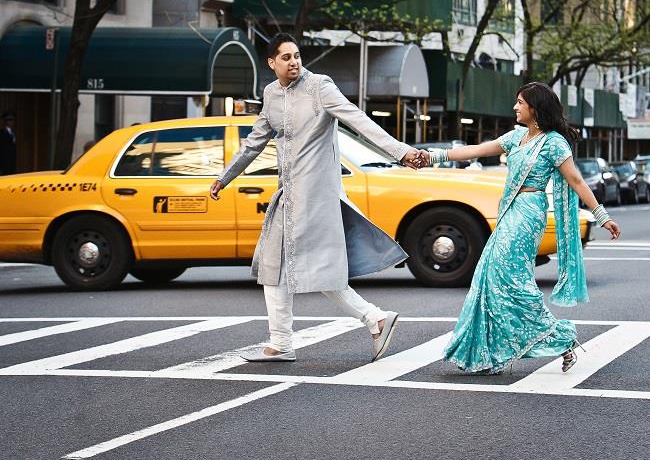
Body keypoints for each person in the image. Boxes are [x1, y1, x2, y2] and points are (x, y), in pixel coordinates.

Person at [210, 33, 422, 363]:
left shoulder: (319, 86)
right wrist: (225, 177)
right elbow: (254, 142)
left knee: (319, 267)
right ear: (272, 63)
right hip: (288, 193)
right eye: (286, 57)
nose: (294, 62)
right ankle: (282, 342)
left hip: (316, 194)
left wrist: (402, 152)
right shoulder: (270, 94)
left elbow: (357, 119)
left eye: (297, 56)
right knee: (273, 264)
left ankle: (373, 318)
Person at [420, 82, 621, 375]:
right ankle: (494, 352)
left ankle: (560, 337)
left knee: (512, 280)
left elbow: (576, 181)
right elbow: (475, 149)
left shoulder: (554, 143)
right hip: (510, 210)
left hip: (528, 212)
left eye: (519, 103)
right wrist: (433, 157)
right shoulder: (517, 137)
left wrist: (602, 217)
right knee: (491, 277)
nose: (515, 107)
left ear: (535, 108)